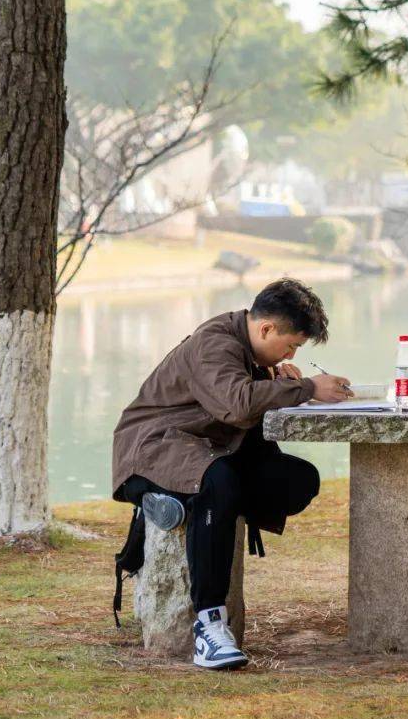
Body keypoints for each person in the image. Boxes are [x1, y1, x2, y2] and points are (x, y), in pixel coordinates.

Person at [111, 277, 351, 671]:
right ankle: (209, 626)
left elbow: (240, 397)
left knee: (298, 480)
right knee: (217, 484)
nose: (291, 353)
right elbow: (236, 405)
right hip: (154, 446)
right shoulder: (215, 343)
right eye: (290, 345)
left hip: (208, 447)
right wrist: (307, 387)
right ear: (266, 328)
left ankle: (184, 501)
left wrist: (274, 377)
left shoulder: (253, 352)